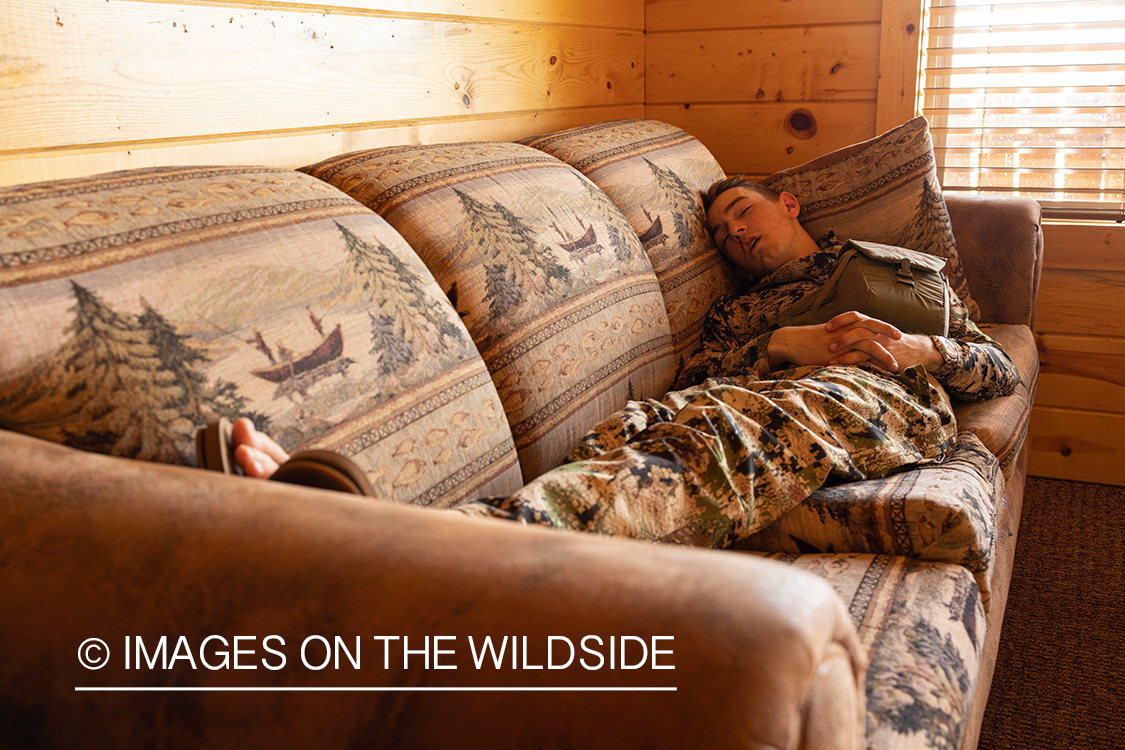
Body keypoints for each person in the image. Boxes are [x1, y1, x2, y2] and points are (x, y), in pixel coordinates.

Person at [227, 177, 1020, 548]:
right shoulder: (738, 314)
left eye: (740, 212)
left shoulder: (899, 267)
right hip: (750, 391)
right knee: (639, 432)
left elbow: (996, 367)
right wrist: (781, 345)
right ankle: (398, 538)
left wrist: (921, 347)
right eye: (718, 235)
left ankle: (411, 547)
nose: (732, 235)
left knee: (723, 438)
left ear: (788, 204)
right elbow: (697, 376)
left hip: (869, 394)